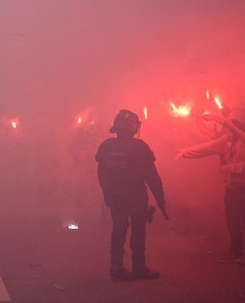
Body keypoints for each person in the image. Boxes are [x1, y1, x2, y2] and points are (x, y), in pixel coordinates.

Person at [96, 109, 166, 280]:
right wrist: (161, 199)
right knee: (138, 231)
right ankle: (138, 268)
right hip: (136, 197)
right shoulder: (140, 147)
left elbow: (101, 173)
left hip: (116, 197)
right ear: (133, 128)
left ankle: (117, 268)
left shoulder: (106, 146)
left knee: (118, 230)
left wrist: (107, 194)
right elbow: (152, 177)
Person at [175, 108, 245, 263]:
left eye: (228, 130)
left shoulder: (243, 139)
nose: (225, 133)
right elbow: (207, 147)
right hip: (231, 188)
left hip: (243, 187)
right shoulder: (227, 141)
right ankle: (236, 251)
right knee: (232, 220)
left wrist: (233, 168)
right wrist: (185, 152)